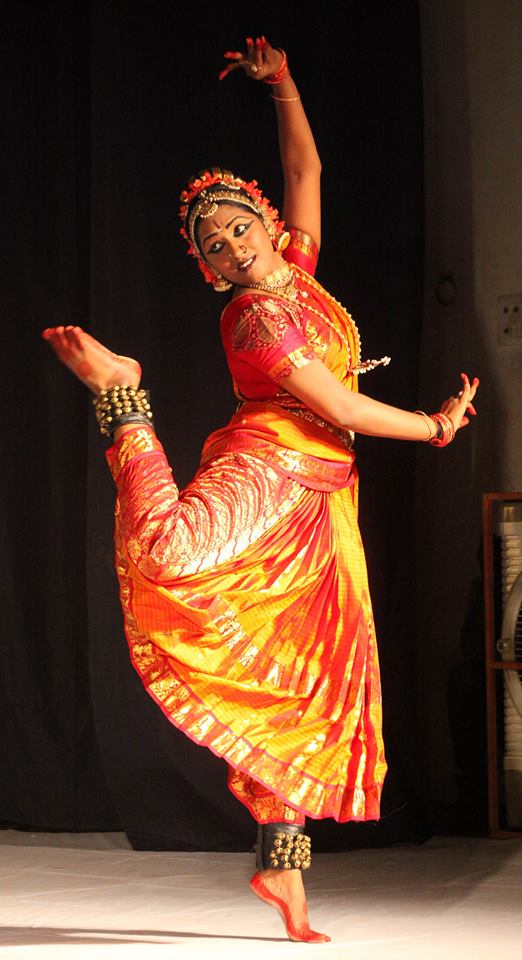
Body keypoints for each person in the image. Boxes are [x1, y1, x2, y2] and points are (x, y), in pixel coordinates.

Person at [42, 37, 479, 944]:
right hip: (266, 469)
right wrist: (434, 428)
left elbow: (306, 163)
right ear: (208, 269)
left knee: (310, 687)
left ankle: (283, 877)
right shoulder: (257, 314)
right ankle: (123, 393)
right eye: (215, 244)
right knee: (166, 549)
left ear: (268, 224)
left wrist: (283, 87)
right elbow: (334, 404)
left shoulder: (302, 274)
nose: (232, 246)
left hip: (323, 509)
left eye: (239, 226)